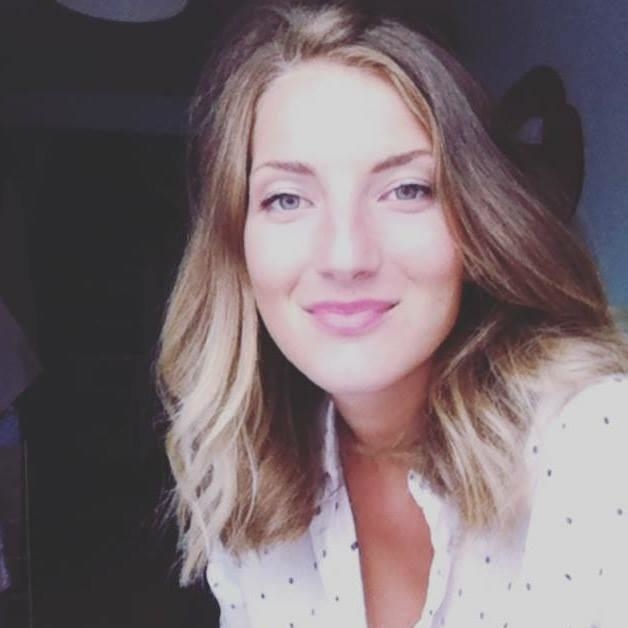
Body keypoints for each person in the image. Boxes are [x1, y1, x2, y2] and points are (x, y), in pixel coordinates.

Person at [156, 3, 628, 626]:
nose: (346, 256)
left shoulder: (597, 443)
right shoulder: (245, 471)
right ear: (237, 247)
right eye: (287, 198)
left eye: (407, 190)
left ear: (476, 223)